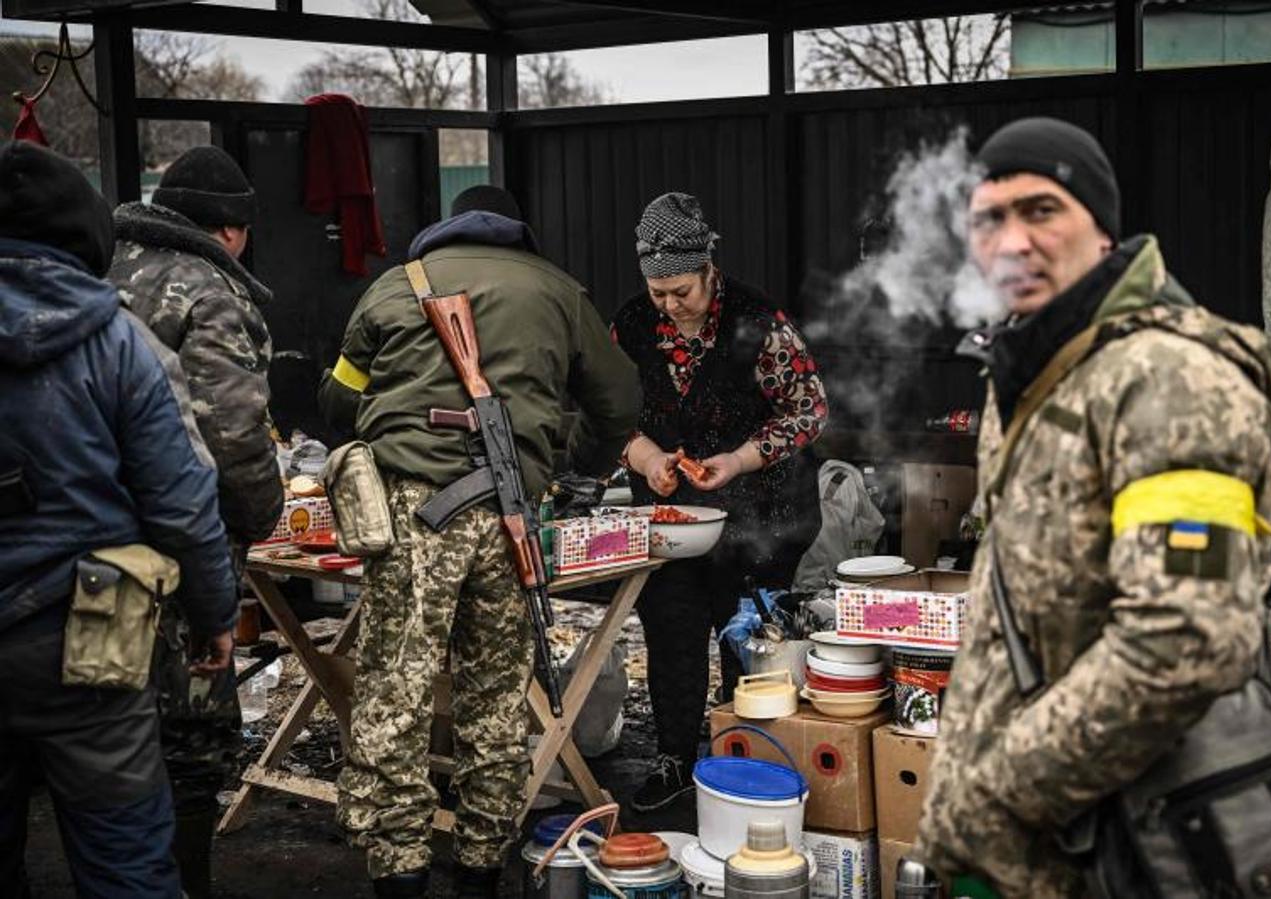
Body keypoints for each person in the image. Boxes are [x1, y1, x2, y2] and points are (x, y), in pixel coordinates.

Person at [911, 118, 1271, 897]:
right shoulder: (1026, 372)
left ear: (1102, 229)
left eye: (1042, 210)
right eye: (990, 218)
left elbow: (1182, 640)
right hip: (1025, 858)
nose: (1012, 240)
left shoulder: (1172, 378)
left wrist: (999, 789)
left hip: (1125, 852)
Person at [318, 185, 639, 899]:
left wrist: (384, 415)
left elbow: (338, 397)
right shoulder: (560, 291)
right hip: (512, 516)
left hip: (408, 512)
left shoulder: (392, 288)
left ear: (443, 230)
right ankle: (479, 865)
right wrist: (573, 465)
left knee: (395, 693)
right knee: (494, 700)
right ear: (514, 235)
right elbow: (619, 401)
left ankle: (398, 867)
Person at [0, 140, 238, 898]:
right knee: (124, 859)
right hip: (87, 635)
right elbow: (181, 496)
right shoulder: (117, 338)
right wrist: (213, 614)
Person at [106, 145, 284, 898]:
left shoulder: (98, 269)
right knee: (188, 740)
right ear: (231, 230)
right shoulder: (207, 288)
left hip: (78, 546)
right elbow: (232, 434)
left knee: (97, 733)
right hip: (177, 550)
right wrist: (263, 515)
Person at [611, 192, 828, 811]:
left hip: (766, 516)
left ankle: (749, 763)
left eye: (682, 290)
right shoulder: (629, 326)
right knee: (672, 632)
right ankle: (676, 759)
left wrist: (736, 459)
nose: (670, 304)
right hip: (673, 523)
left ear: (709, 268)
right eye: (658, 292)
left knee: (749, 643)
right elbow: (606, 415)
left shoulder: (760, 324)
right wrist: (648, 457)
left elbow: (808, 410)